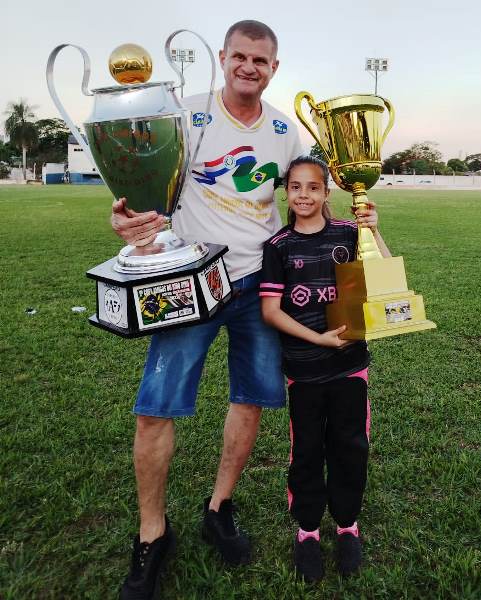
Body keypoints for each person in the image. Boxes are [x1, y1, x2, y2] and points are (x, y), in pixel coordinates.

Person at [112, 21, 303, 600]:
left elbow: (303, 201)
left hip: (260, 285)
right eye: (240, 56)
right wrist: (129, 220)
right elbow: (141, 192)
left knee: (251, 399)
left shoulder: (284, 132)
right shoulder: (184, 114)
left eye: (261, 60)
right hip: (191, 281)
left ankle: (219, 507)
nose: (250, 66)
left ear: (275, 67)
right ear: (222, 58)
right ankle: (152, 532)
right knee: (156, 406)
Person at [259, 156, 388, 582]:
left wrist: (374, 231)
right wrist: (317, 339)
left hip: (350, 365)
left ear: (327, 193)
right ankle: (309, 530)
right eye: (296, 187)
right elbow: (271, 310)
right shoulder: (278, 247)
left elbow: (383, 277)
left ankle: (348, 524)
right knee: (308, 451)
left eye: (313, 187)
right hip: (305, 369)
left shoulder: (349, 234)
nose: (304, 195)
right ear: (286, 193)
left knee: (351, 445)